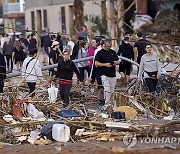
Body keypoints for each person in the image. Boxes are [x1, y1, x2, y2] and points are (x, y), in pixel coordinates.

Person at [95, 39, 120, 105]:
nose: (108, 48)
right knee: (107, 89)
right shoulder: (100, 52)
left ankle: (112, 104)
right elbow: (96, 63)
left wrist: (115, 63)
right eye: (107, 46)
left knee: (112, 90)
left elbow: (118, 61)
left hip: (112, 74)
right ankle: (107, 103)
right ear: (104, 45)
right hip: (103, 73)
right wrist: (105, 64)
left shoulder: (113, 52)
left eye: (109, 46)